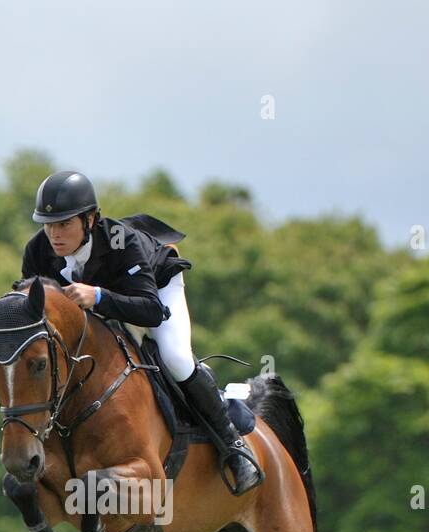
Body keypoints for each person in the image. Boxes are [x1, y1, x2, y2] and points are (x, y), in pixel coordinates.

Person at [20, 170, 262, 496]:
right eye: (48, 225)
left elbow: (151, 310)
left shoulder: (123, 242)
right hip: (102, 308)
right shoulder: (37, 251)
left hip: (156, 289)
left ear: (90, 219)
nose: (54, 234)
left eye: (64, 224)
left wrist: (99, 297)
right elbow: (33, 310)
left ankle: (235, 448)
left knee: (174, 358)